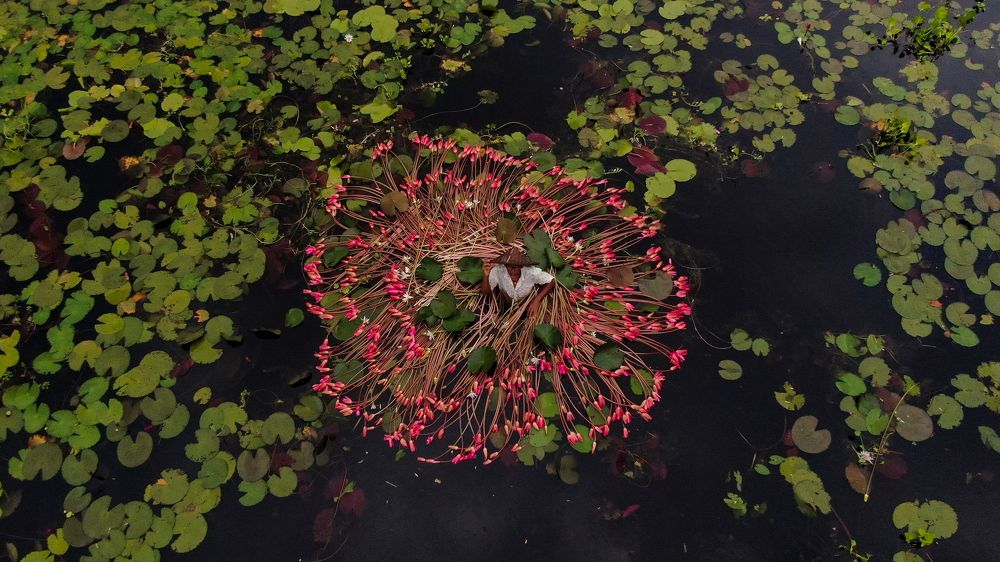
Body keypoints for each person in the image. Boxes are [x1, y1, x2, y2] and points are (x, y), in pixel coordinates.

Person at [481, 248, 555, 315]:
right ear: (505, 265)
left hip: (525, 305)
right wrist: (486, 276)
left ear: (522, 266)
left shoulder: (530, 272)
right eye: (509, 266)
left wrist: (536, 300)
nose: (513, 270)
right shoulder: (498, 270)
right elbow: (485, 292)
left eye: (516, 266)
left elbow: (551, 281)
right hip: (507, 305)